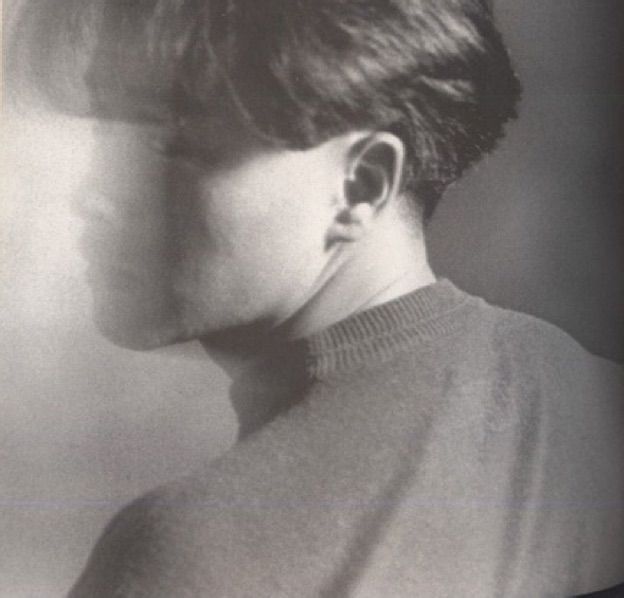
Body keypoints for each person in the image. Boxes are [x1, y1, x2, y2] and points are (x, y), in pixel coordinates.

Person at [11, 0, 624, 596]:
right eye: (106, 135)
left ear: (361, 184)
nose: (92, 193)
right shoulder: (597, 405)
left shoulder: (194, 552)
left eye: (171, 148)